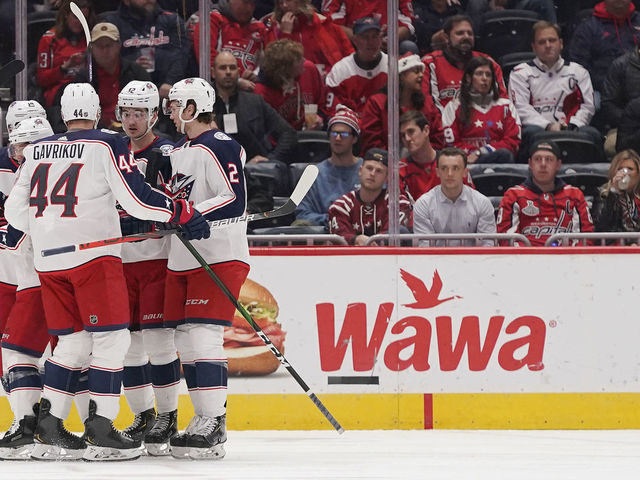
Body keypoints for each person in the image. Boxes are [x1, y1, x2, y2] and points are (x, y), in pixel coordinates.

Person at [4, 83, 209, 461]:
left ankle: (50, 424)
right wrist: (181, 213)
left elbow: (17, 214)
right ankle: (101, 427)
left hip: (48, 260)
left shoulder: (35, 151)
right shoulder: (107, 144)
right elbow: (136, 198)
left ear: (62, 114)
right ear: (98, 111)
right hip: (93, 259)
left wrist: (53, 226)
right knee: (113, 340)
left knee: (73, 341)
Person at [162, 77, 249, 460]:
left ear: (195, 108)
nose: (170, 110)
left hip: (218, 252)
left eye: (176, 103)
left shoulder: (220, 144)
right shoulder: (183, 149)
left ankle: (214, 421)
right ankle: (201, 418)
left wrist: (194, 213)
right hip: (183, 255)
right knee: (184, 338)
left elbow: (234, 198)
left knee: (202, 334)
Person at [114, 81, 181, 455]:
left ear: (154, 114)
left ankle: (168, 414)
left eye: (140, 113)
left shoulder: (168, 153)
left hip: (156, 259)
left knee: (158, 340)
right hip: (121, 261)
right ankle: (142, 415)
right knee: (128, 345)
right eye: (127, 112)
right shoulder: (111, 149)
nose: (133, 120)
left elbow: (177, 200)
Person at [0, 116, 55, 460]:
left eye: (22, 145)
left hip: (41, 279)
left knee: (17, 352)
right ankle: (54, 428)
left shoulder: (32, 174)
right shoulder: (64, 167)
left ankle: (31, 429)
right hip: (53, 276)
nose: (17, 152)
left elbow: (16, 217)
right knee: (71, 357)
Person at [509, 21, 601, 161]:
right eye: (542, 42)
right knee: (529, 133)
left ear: (561, 43)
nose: (547, 45)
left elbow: (588, 106)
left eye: (552, 40)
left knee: (591, 134)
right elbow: (520, 108)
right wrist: (548, 126)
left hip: (571, 128)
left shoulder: (578, 71)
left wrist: (573, 125)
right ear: (534, 47)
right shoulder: (520, 73)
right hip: (538, 129)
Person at [497, 139, 594, 246]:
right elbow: (506, 239)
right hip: (524, 260)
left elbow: (585, 237)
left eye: (549, 159)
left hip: (567, 259)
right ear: (530, 164)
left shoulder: (574, 195)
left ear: (558, 164)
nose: (543, 164)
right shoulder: (513, 195)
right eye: (537, 159)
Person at [212, 51, 297, 164]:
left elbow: (288, 133)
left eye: (232, 68)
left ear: (238, 71)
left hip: (254, 174)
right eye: (223, 68)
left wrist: (270, 160)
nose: (228, 72)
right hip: (215, 171)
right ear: (213, 73)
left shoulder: (255, 102)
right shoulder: (203, 105)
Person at [105, 0, 191, 101]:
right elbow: (105, 57)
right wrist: (132, 66)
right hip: (126, 91)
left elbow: (182, 55)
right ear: (127, 1)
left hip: (167, 92)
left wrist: (170, 82)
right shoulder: (112, 23)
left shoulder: (172, 20)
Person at [421, 14, 507, 115]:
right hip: (445, 127)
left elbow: (502, 102)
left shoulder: (488, 63)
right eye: (460, 33)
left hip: (484, 126)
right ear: (446, 37)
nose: (466, 37)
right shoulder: (430, 63)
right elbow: (429, 108)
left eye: (470, 33)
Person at [442, 56, 521, 163]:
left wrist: (481, 152)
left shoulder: (506, 106)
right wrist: (471, 154)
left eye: (488, 75)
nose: (484, 78)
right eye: (479, 74)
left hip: (499, 161)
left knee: (505, 154)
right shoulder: (453, 107)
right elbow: (450, 143)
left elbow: (513, 141)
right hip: (466, 163)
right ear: (469, 78)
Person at [359, 52, 443, 153]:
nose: (421, 75)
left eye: (422, 71)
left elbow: (437, 137)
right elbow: (370, 141)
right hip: (385, 163)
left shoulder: (427, 103)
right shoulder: (377, 103)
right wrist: (391, 159)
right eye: (416, 71)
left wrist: (419, 155)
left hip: (421, 163)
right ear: (402, 75)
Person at [413, 147, 496, 246]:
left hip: (472, 261)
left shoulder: (482, 203)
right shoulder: (423, 204)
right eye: (444, 168)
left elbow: (488, 246)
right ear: (438, 172)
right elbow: (425, 249)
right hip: (436, 260)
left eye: (455, 168)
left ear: (465, 172)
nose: (449, 174)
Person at [329, 148, 412, 245]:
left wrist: (368, 242)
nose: (372, 174)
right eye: (369, 168)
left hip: (387, 259)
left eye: (379, 171)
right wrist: (356, 239)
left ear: (387, 178)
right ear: (360, 171)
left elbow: (394, 237)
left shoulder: (398, 203)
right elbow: (340, 238)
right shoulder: (341, 206)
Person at [295, 107, 362, 226]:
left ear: (355, 139)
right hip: (323, 237)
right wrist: (334, 220)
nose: (337, 138)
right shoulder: (313, 174)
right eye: (334, 133)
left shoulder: (368, 170)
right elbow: (302, 214)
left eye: (344, 134)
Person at [35, 0, 96, 131]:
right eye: (76, 17)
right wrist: (64, 67)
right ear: (66, 15)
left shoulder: (91, 39)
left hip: (87, 89)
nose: (79, 22)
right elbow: (42, 79)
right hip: (58, 95)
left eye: (84, 18)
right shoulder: (49, 39)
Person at [82, 23, 151, 129]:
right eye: (100, 46)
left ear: (118, 45)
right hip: (96, 133)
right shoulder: (84, 78)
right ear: (91, 48)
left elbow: (150, 109)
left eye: (109, 45)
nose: (105, 51)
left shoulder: (137, 73)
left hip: (135, 130)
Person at [568, 0, 640, 98]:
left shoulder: (638, 20)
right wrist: (607, 83)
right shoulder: (588, 27)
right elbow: (578, 64)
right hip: (602, 88)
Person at [190, 0, 268, 91]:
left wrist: (256, 74)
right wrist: (236, 81)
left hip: (251, 87)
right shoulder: (212, 19)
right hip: (215, 87)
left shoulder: (259, 27)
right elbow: (206, 60)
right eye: (245, 2)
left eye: (253, 4)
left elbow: (268, 61)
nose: (249, 8)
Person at [399, 110, 473, 204]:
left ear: (426, 130)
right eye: (403, 135)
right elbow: (401, 211)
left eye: (411, 132)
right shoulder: (400, 171)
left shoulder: (454, 163)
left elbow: (471, 204)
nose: (407, 139)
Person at [264, 0, 353, 78]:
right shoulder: (274, 31)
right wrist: (286, 35)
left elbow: (350, 59)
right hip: (293, 87)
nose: (284, 5)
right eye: (280, 2)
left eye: (288, 0)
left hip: (330, 83)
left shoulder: (326, 25)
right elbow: (276, 68)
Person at [253, 39, 327, 131]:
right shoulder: (262, 92)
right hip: (281, 141)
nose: (304, 60)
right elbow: (267, 133)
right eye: (299, 60)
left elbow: (321, 105)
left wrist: (320, 118)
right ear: (286, 68)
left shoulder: (309, 69)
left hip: (311, 135)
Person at [325, 16, 388, 115]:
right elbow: (332, 112)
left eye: (374, 36)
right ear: (355, 40)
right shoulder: (340, 70)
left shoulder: (393, 66)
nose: (370, 42)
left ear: (381, 38)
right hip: (351, 127)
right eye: (365, 37)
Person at [591, 149, 640, 237]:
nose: (624, 173)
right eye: (620, 169)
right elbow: (601, 227)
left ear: (638, 173)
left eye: (630, 169)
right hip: (614, 244)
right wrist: (613, 192)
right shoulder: (603, 193)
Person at [320, 0, 415, 44]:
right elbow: (330, 24)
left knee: (408, 47)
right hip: (351, 43)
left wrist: (390, 39)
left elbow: (407, 24)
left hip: (386, 43)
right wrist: (364, 41)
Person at [602, 45, 640, 153]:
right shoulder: (620, 65)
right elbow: (608, 104)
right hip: (625, 128)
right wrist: (630, 121)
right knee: (611, 146)